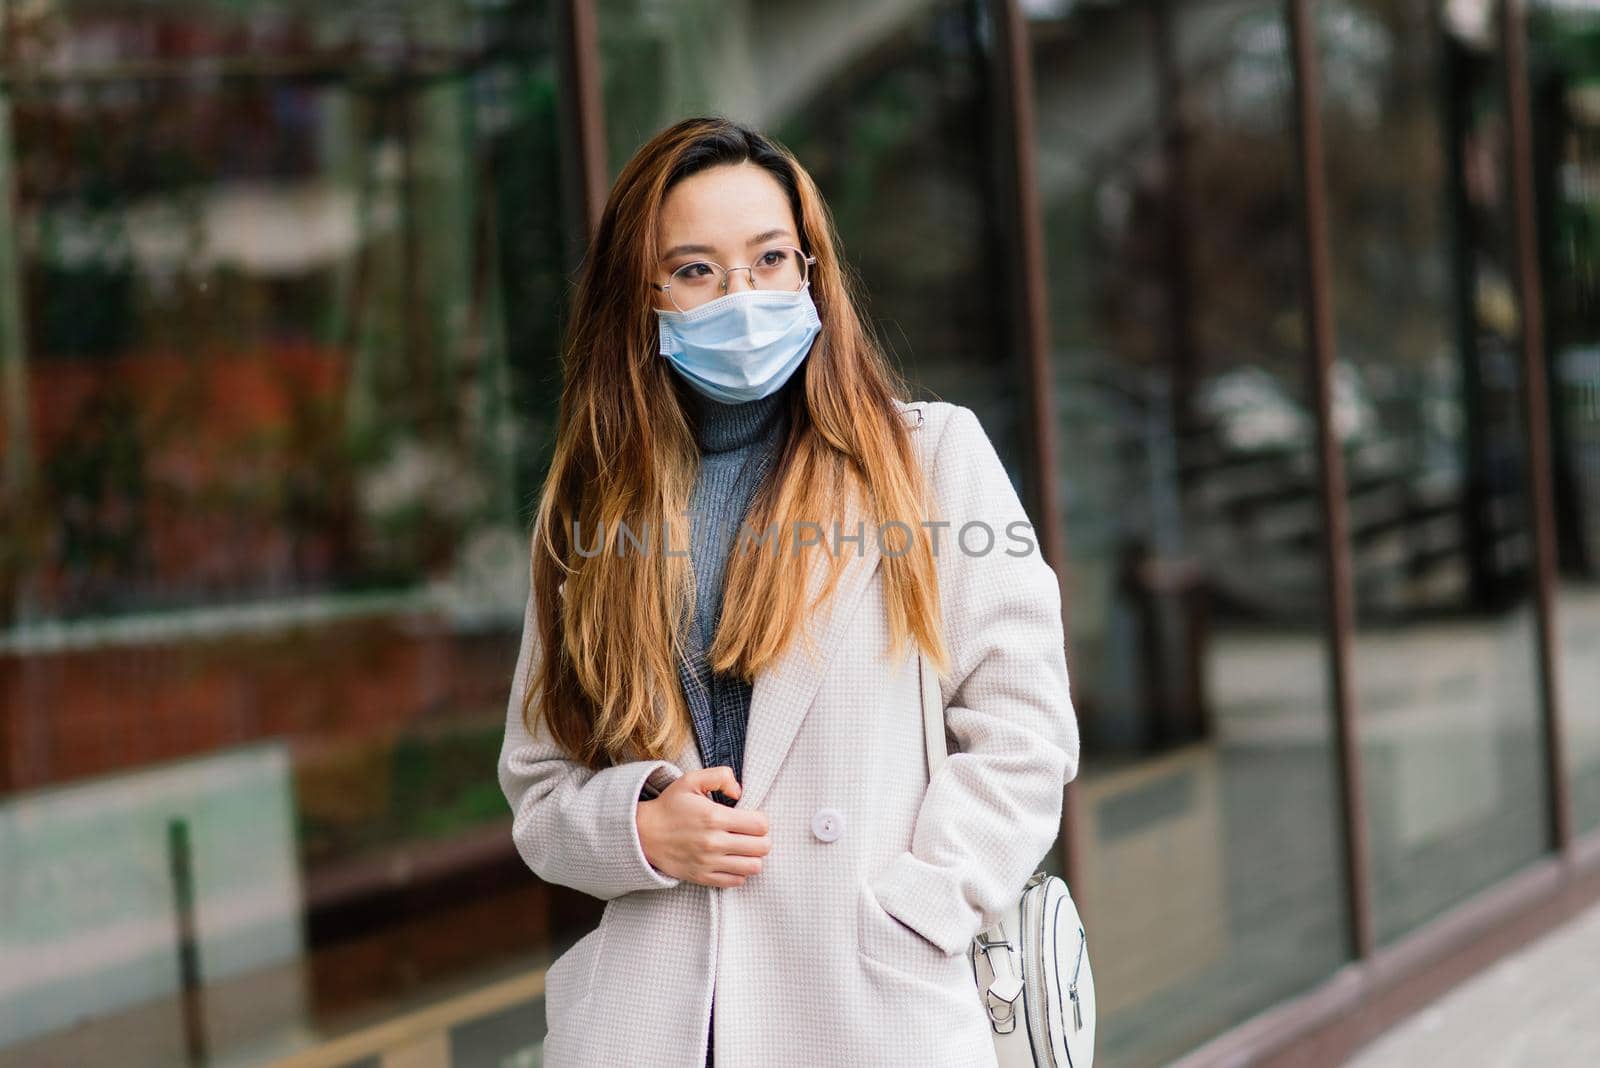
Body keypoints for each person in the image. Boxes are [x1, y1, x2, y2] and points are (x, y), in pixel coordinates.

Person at [497, 115, 1080, 1068]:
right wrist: (638, 826)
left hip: (867, 1010)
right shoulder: (590, 511)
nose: (743, 296)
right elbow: (538, 784)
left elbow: (1025, 730)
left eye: (770, 259)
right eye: (696, 270)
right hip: (660, 1026)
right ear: (640, 298)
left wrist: (920, 909)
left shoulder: (929, 460)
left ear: (810, 269)